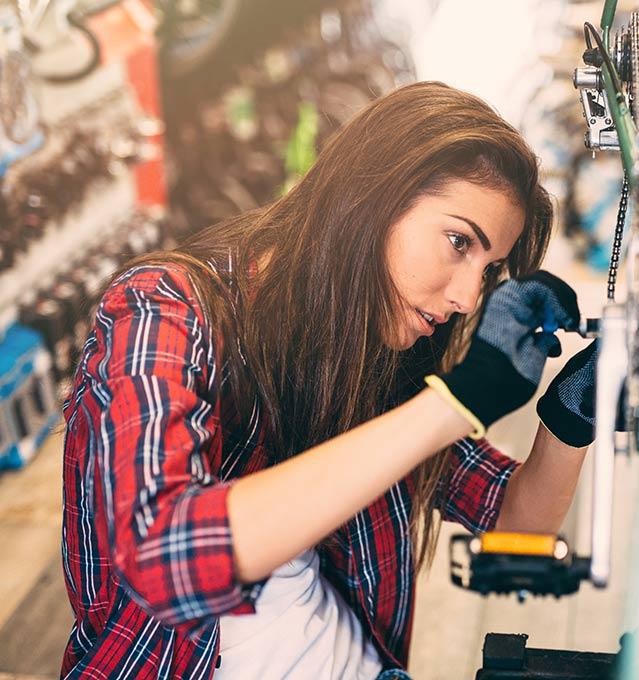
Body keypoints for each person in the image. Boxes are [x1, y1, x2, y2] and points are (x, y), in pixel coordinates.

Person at [59, 82, 605, 680]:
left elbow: (516, 522)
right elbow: (162, 553)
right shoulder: (162, 309)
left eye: (489, 268)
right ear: (371, 195)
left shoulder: (369, 352)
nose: (468, 296)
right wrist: (454, 404)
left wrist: (572, 413)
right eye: (458, 242)